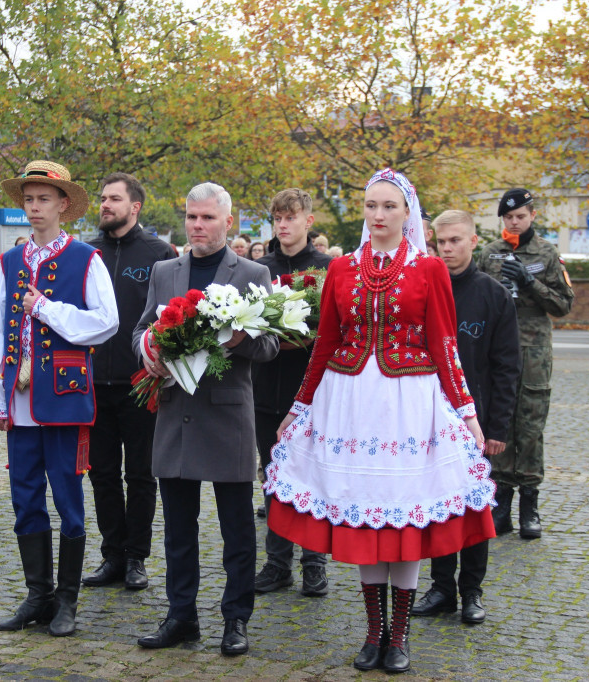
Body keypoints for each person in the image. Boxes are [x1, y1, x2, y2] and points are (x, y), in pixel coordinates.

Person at [263, 169, 495, 673]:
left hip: (410, 403)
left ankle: (401, 636)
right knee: (368, 514)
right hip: (351, 404)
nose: (379, 215)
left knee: (403, 515)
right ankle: (374, 632)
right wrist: (299, 409)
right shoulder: (343, 268)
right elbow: (324, 344)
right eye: (372, 206)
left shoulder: (430, 269)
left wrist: (467, 412)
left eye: (389, 206)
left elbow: (445, 343)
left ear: (408, 212)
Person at [133, 182, 279, 657]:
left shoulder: (254, 271)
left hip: (227, 417)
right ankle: (181, 617)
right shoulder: (164, 269)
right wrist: (148, 349)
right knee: (178, 528)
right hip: (176, 416)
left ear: (227, 222)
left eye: (207, 218)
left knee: (237, 529)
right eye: (191, 217)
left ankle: (236, 619)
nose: (197, 226)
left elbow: (271, 344)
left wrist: (240, 339)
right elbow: (140, 328)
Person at [0, 160, 118, 638]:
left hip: (63, 397)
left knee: (68, 498)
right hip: (20, 403)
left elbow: (106, 321)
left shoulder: (86, 259)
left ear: (63, 205)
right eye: (29, 199)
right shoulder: (9, 262)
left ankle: (67, 601)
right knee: (25, 500)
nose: (34, 208)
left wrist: (47, 309)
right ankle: (37, 597)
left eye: (43, 199)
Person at [413, 210, 520, 624]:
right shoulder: (424, 287)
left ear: (474, 241)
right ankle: (441, 587)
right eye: (442, 242)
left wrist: (497, 428)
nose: (448, 249)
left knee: (474, 509)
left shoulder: (492, 294)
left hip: (477, 423)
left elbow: (508, 366)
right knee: (439, 506)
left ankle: (471, 590)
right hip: (431, 419)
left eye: (456, 241)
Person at [83, 172, 175, 591]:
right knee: (101, 473)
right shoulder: (87, 253)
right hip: (93, 385)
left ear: (134, 207)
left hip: (140, 385)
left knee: (139, 475)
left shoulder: (160, 254)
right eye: (103, 198)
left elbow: (170, 319)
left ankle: (137, 557)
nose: (105, 205)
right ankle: (112, 555)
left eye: (113, 199)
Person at [477, 189, 574, 539]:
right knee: (498, 424)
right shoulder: (490, 254)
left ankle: (529, 504)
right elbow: (476, 297)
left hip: (533, 354)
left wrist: (529, 282)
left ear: (532, 215)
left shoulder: (546, 253)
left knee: (530, 426)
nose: (514, 222)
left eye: (520, 216)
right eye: (508, 217)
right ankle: (500, 502)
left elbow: (564, 304)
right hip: (498, 354)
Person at [252, 188, 332, 597]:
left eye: (290, 217)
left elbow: (336, 329)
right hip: (265, 387)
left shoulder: (328, 268)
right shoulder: (259, 268)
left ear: (308, 222)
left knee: (312, 476)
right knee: (273, 477)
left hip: (313, 390)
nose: (283, 225)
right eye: (277, 219)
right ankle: (277, 562)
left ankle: (314, 562)